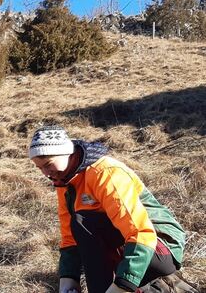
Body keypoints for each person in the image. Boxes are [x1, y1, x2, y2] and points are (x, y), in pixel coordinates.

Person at [28, 125, 196, 293]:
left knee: (84, 221)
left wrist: (121, 286)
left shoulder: (105, 173)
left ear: (66, 152)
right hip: (127, 245)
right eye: (39, 168)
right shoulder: (65, 181)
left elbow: (141, 233)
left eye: (48, 164)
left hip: (159, 247)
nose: (46, 173)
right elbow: (69, 238)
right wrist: (68, 279)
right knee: (79, 222)